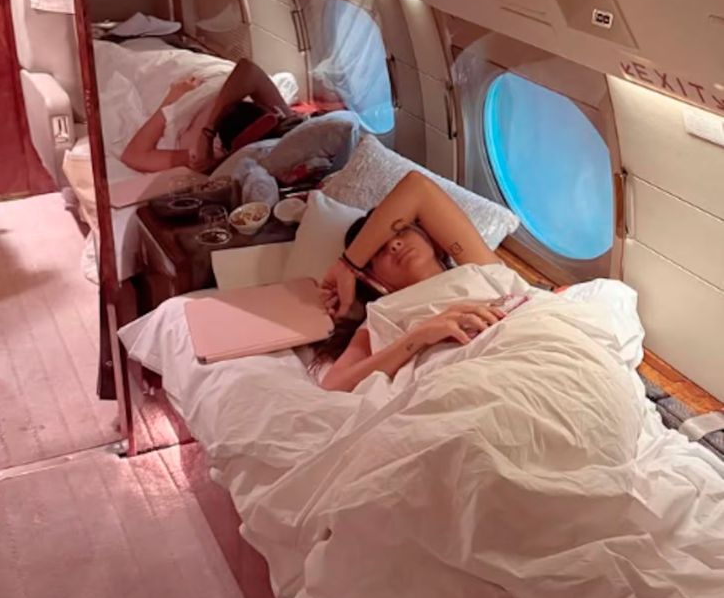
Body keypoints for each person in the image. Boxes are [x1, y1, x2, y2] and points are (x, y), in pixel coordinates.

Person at [318, 171, 509, 392]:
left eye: (401, 231)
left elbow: (418, 188)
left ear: (429, 236)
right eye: (378, 251)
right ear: (372, 277)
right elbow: (335, 384)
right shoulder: (386, 312)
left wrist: (347, 264)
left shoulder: (481, 269)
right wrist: (419, 336)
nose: (394, 245)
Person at [120, 56, 300, 174]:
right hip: (204, 78)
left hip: (193, 90)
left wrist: (170, 101)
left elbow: (134, 155)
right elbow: (248, 69)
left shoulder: (208, 155)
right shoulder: (273, 119)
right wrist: (208, 130)